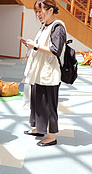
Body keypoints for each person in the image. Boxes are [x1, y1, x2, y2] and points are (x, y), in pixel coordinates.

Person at [22, 0, 66, 147]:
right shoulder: (45, 25)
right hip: (40, 72)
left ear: (51, 9)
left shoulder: (57, 26)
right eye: (36, 12)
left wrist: (35, 46)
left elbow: (55, 50)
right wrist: (32, 45)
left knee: (49, 105)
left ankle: (52, 136)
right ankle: (38, 129)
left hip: (49, 73)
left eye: (40, 11)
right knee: (37, 102)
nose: (38, 15)